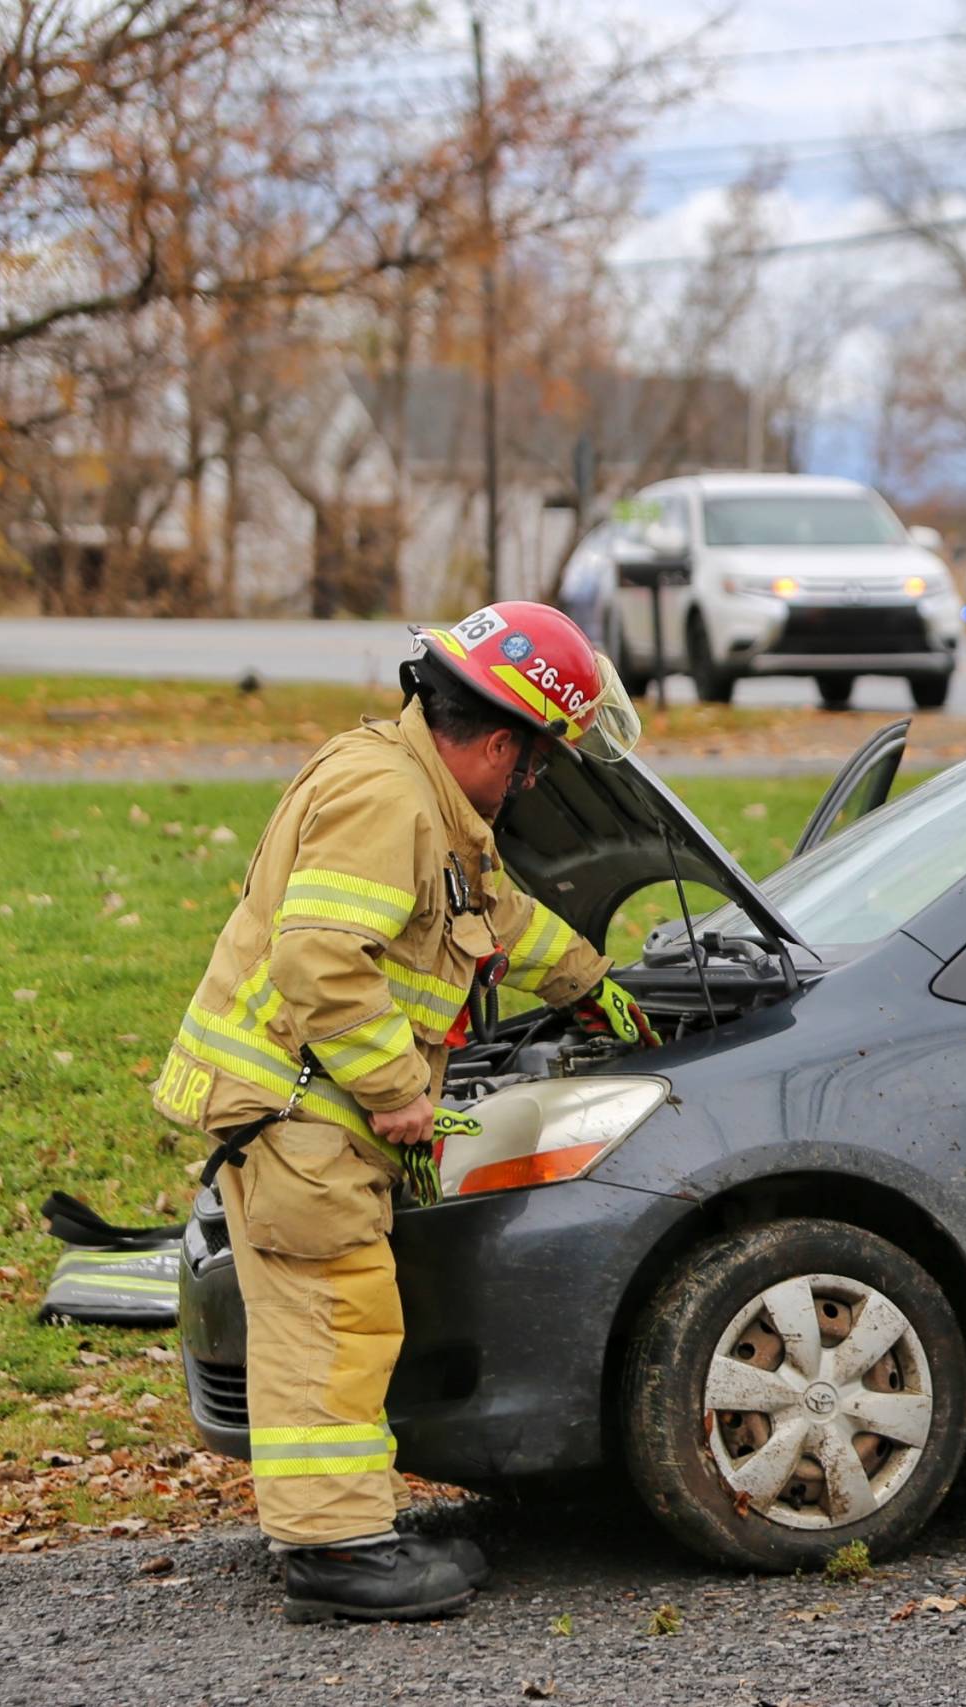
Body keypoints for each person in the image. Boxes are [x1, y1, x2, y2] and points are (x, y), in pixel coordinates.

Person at [148, 602, 656, 1623]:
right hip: (298, 1111)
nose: (530, 786)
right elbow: (322, 962)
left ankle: (355, 1523)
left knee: (350, 1322)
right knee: (332, 1326)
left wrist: (590, 985)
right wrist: (401, 1095)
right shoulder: (389, 801)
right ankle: (336, 1555)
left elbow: (494, 915)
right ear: (500, 742)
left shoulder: (421, 794)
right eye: (534, 766)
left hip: (304, 1109)